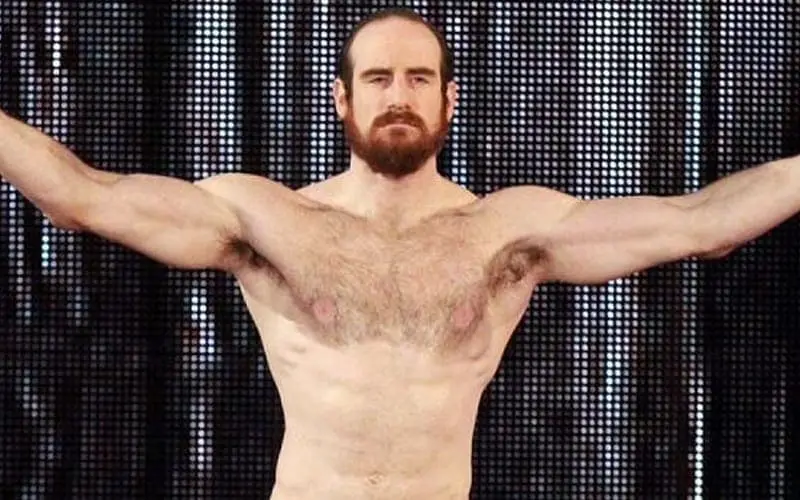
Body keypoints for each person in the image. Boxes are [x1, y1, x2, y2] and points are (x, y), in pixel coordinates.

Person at [1, 7, 798, 499]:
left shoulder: (508, 231)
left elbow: (701, 223)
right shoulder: (267, 220)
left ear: (450, 100)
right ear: (343, 98)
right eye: (378, 77)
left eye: (419, 78)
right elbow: (81, 197)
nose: (398, 95)